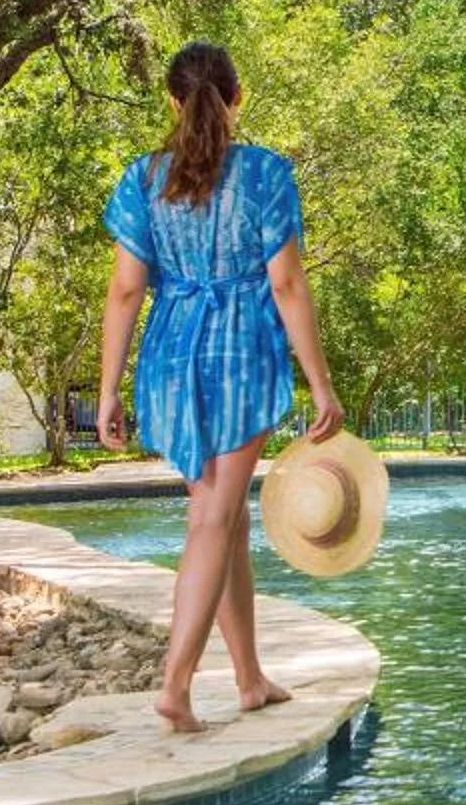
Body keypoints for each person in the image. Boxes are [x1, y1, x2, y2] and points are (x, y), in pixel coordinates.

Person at [98, 43, 344, 733]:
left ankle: (248, 678)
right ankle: (176, 685)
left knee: (227, 515)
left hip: (171, 356)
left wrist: (109, 387)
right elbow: (286, 283)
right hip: (240, 352)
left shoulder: (143, 179)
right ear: (238, 98)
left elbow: (125, 290)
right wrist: (321, 385)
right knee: (213, 515)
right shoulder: (264, 174)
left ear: (172, 101)